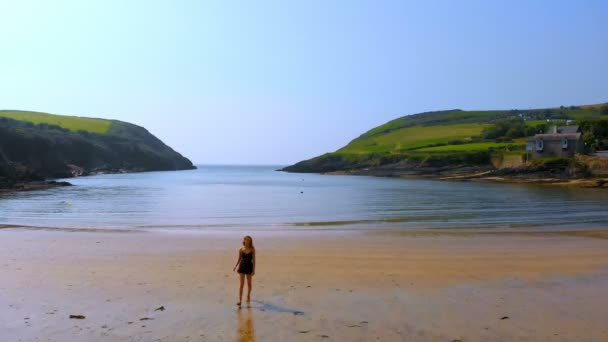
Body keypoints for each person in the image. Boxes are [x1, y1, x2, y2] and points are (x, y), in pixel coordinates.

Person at [233, 235, 255, 306]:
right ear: (244, 240)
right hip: (242, 267)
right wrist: (235, 266)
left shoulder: (252, 249)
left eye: (249, 240)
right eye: (246, 240)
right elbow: (239, 259)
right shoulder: (241, 249)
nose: (247, 241)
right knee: (241, 284)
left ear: (250, 241)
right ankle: (240, 300)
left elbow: (254, 260)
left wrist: (253, 270)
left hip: (249, 267)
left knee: (249, 284)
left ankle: (248, 295)